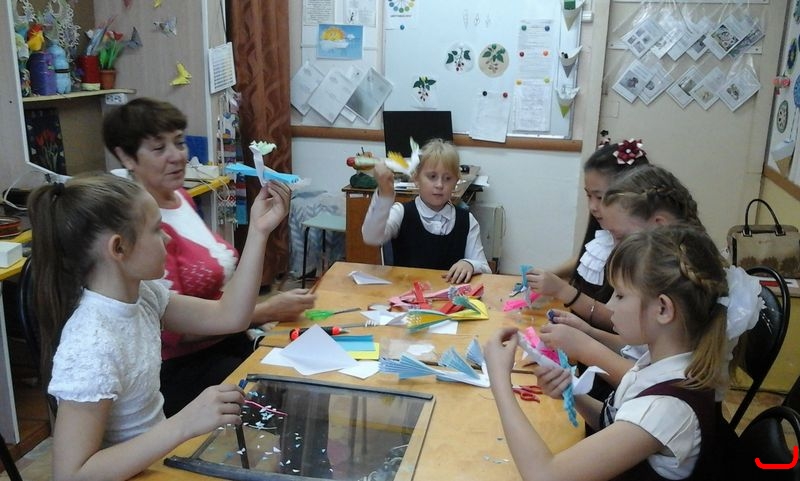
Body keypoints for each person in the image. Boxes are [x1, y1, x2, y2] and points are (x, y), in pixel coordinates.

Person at [28, 173, 291, 480]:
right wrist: (183, 423)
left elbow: (230, 316)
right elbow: (71, 475)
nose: (167, 238)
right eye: (156, 230)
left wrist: (259, 231)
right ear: (119, 248)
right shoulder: (91, 343)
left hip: (156, 463)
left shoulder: (143, 295)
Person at [102, 97, 316, 416]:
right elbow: (174, 335)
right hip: (185, 370)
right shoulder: (141, 231)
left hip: (228, 341)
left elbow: (224, 303)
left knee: (311, 374)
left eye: (179, 142)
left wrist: (260, 231)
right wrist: (264, 311)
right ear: (125, 157)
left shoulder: (181, 198)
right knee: (296, 398)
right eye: (159, 148)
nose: (177, 156)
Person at [484, 225, 737, 481]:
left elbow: (545, 476)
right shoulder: (663, 364)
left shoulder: (665, 408)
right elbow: (617, 423)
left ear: (663, 309)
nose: (610, 305)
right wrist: (572, 392)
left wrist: (499, 381)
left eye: (620, 295)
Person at [530, 139, 650, 305]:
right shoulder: (607, 233)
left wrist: (561, 289)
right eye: (589, 196)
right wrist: (552, 274)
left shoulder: (640, 252)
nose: (592, 207)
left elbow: (612, 316)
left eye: (600, 197)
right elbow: (590, 257)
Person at [361, 138, 490, 283]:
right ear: (416, 178)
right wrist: (385, 194)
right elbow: (371, 237)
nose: (439, 185)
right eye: (432, 177)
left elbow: (485, 268)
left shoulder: (467, 221)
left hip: (450, 295)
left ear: (456, 182)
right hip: (406, 293)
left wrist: (470, 264)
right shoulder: (401, 212)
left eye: (447, 178)